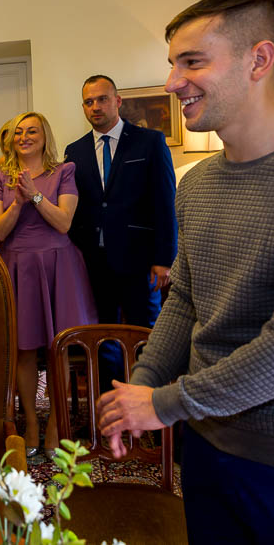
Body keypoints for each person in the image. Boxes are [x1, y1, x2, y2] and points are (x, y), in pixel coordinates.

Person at [97, 0, 274, 543]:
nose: (173, 81)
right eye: (172, 63)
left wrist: (163, 402)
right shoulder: (196, 185)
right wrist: (144, 386)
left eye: (193, 61)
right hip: (207, 449)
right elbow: (186, 299)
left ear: (259, 59)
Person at [0, 111, 97, 456]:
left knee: (57, 349)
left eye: (32, 131)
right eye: (18, 131)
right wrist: (18, 203)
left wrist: (35, 194)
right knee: (23, 350)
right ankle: (31, 426)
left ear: (44, 136)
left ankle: (55, 426)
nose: (24, 137)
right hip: (18, 265)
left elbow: (64, 222)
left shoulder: (64, 172)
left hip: (57, 267)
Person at [64, 74, 177, 388]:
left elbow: (165, 202)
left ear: (117, 101)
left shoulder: (149, 142)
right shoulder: (75, 151)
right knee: (102, 336)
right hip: (93, 262)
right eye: (88, 101)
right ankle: (110, 405)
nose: (95, 107)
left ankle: (151, 404)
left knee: (146, 334)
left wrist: (164, 258)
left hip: (140, 260)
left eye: (101, 99)